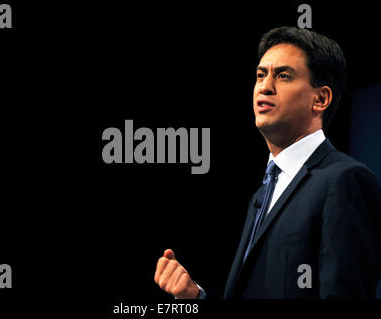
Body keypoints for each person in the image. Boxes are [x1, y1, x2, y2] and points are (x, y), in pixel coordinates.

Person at [154, 26, 381, 299]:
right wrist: (196, 296)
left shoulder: (344, 180)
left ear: (320, 99)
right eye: (261, 75)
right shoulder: (261, 195)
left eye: (283, 76)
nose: (265, 87)